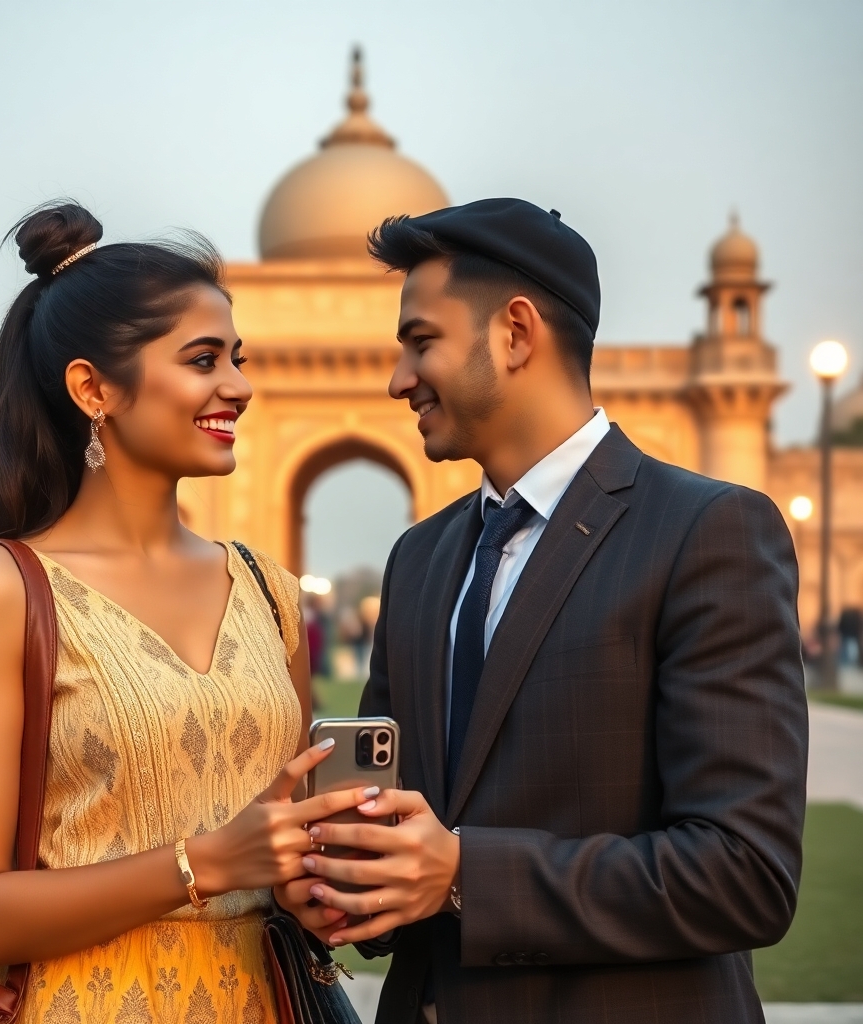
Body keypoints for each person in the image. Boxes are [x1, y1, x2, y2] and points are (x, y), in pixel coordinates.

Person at [277, 199, 809, 1023]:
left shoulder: (703, 533)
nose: (397, 380)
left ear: (516, 333)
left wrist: (460, 875)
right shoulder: (420, 561)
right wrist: (347, 885)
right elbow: (403, 832)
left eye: (422, 343)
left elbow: (745, 874)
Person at [0, 203, 363, 1024]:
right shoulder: (7, 589)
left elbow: (280, 846)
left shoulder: (268, 590)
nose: (238, 385)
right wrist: (207, 863)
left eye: (239, 357)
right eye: (203, 360)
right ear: (93, 388)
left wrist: (320, 883)